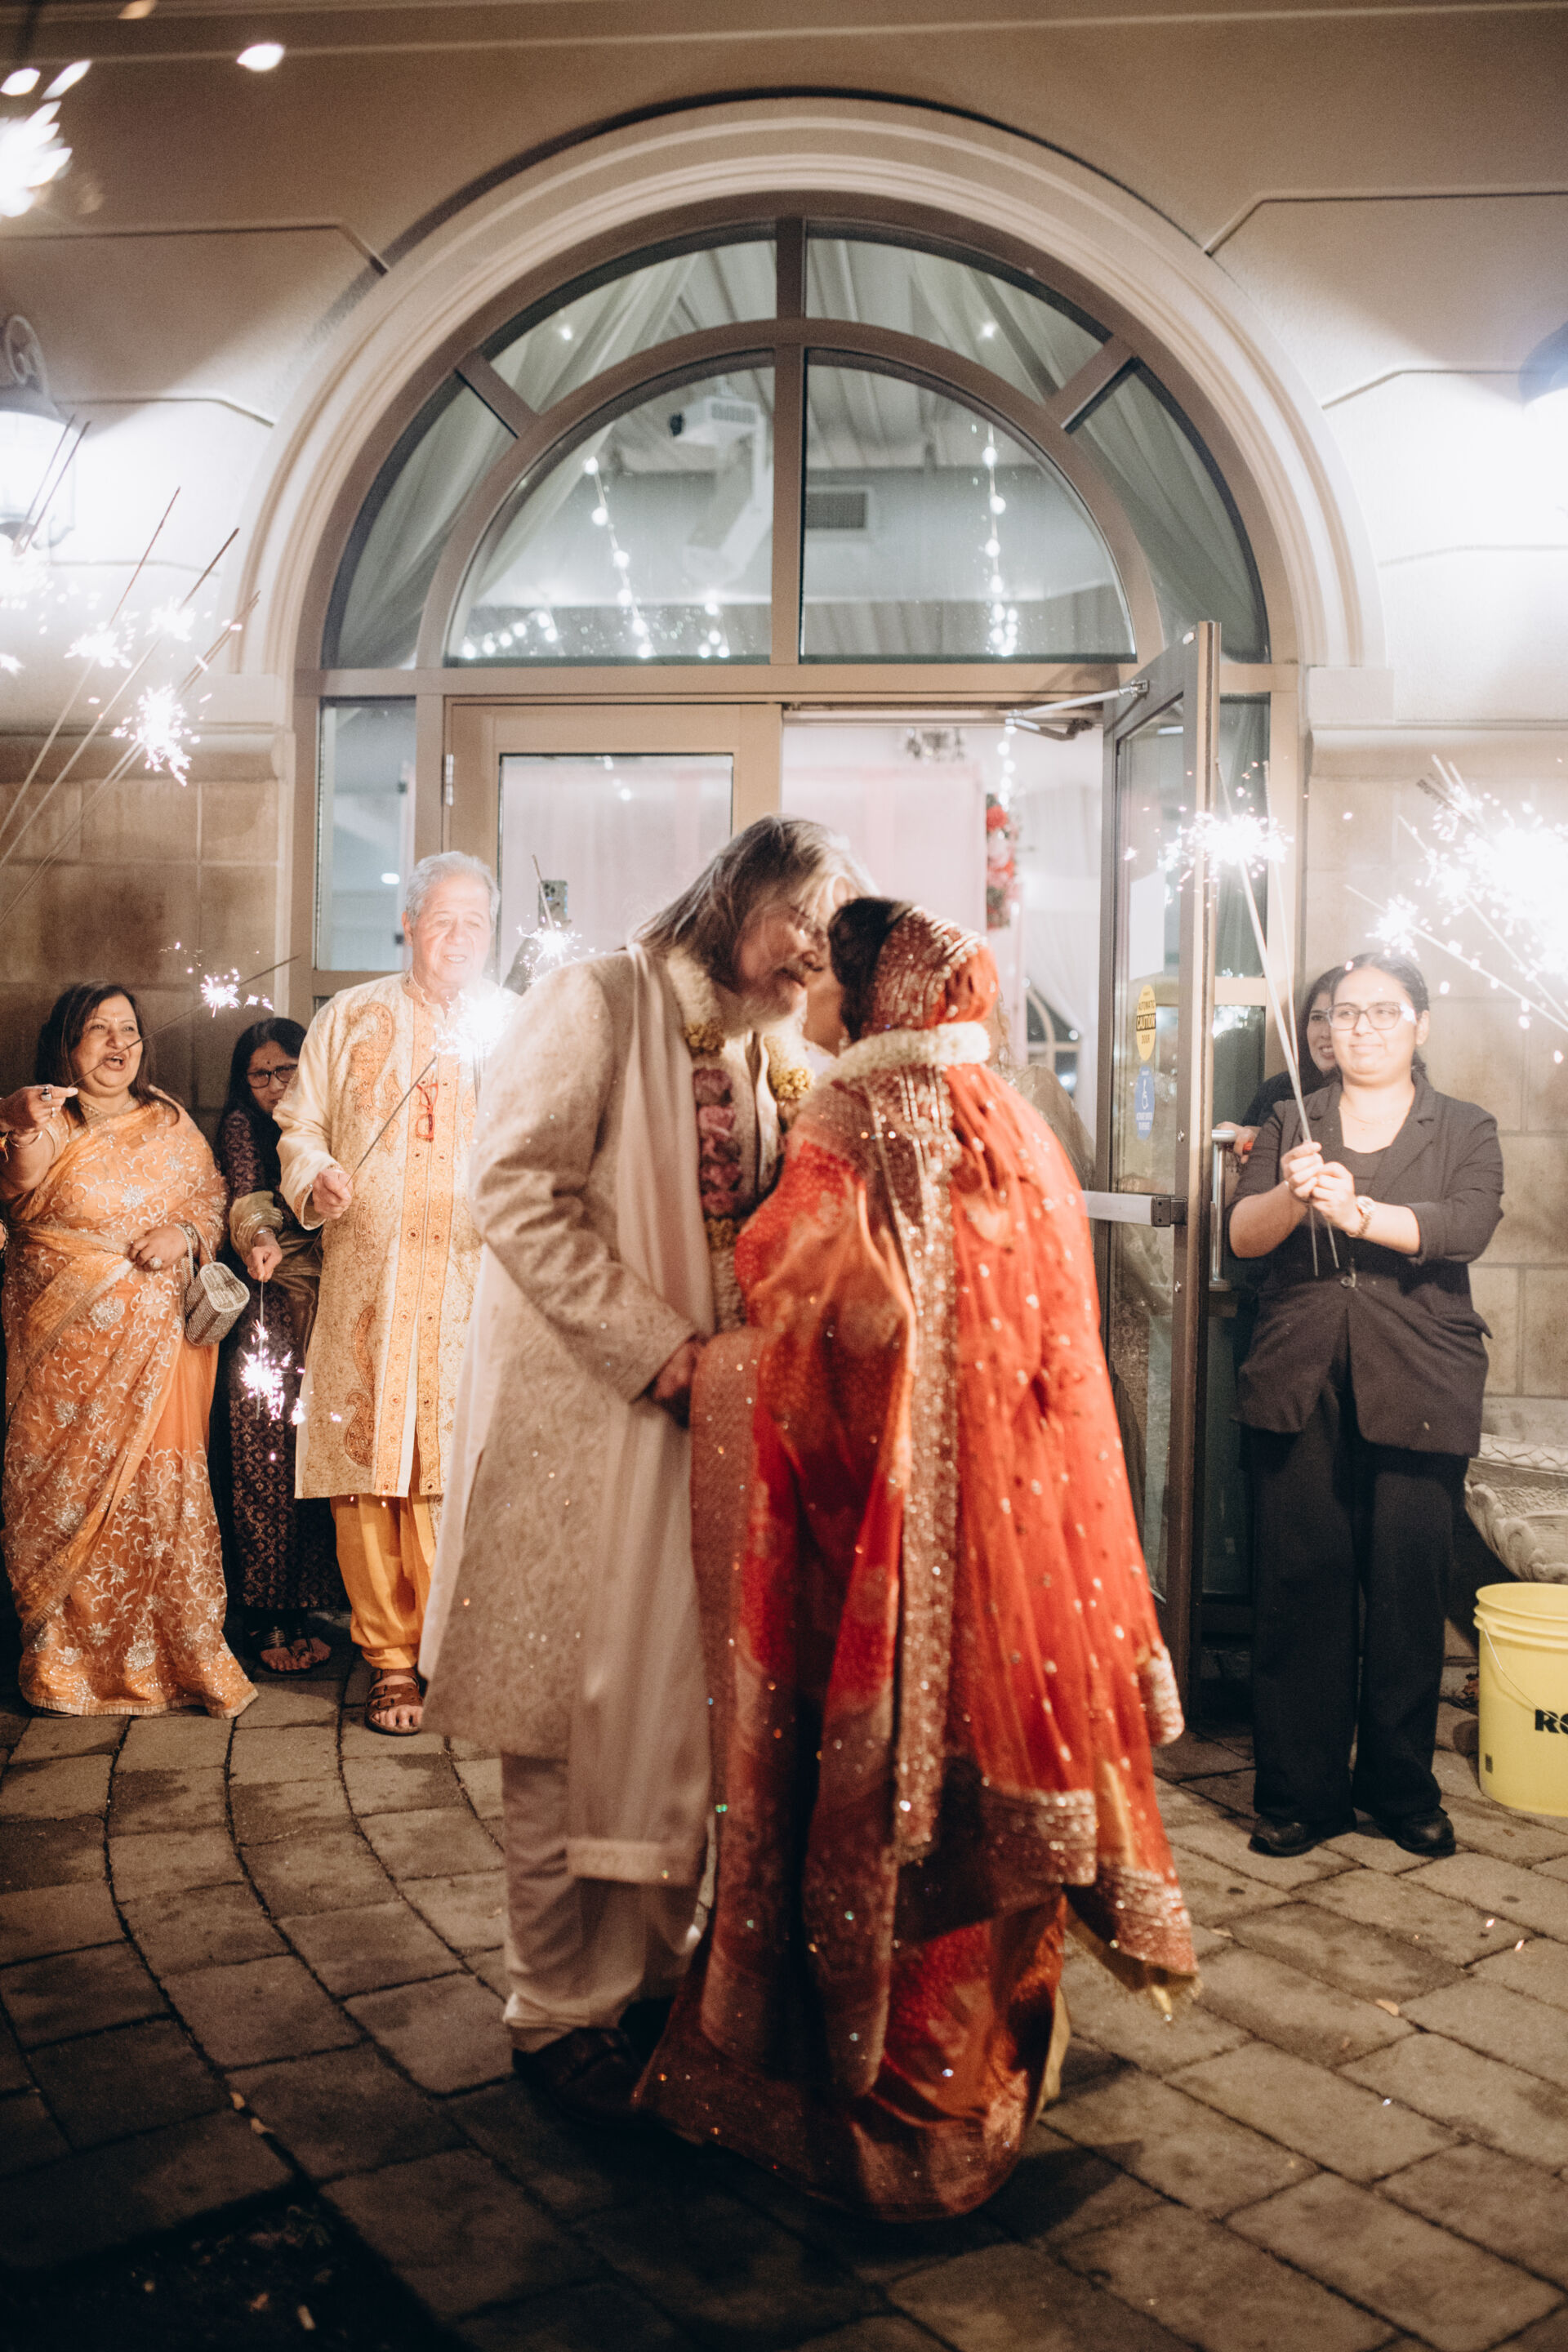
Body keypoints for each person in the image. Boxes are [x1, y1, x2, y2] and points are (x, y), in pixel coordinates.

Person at [639, 901, 1196, 2217]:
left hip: (884, 1535)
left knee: (879, 1785)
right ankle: (990, 2067)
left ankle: (885, 2099)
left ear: (874, 995)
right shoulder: (1011, 1116)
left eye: (828, 977)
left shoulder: (849, 1120)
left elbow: (796, 1285)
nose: (814, 1000)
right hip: (1022, 1534)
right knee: (1000, 1789)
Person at [421, 816, 870, 2124]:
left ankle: (650, 1991)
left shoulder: (763, 1052)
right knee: (564, 1727)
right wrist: (658, 1350)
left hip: (700, 1441)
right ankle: (551, 2014)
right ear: (736, 897)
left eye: (830, 929)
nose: (814, 949)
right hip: (586, 1424)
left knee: (676, 1725)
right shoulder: (598, 998)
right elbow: (512, 1187)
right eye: (801, 917)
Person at [1229, 952, 1503, 1860]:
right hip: (1299, 1372)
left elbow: (1464, 1226)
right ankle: (1300, 1795)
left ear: (1421, 1025)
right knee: (1299, 1586)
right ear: (1326, 1029)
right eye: (1347, 1013)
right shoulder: (1290, 1119)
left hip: (1421, 1374)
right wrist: (1289, 1192)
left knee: (1405, 1589)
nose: (1364, 1028)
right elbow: (1244, 1237)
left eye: (1386, 1012)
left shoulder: (1465, 1125)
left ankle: (1399, 1787)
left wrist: (1356, 1215)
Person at [276, 851, 501, 1735]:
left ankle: (459, 1654)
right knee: (367, 1462)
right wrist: (317, 1174)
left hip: (473, 1285)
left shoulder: (515, 1027)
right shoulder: (350, 1017)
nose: (459, 938)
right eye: (443, 920)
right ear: (409, 924)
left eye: (475, 923)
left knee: (459, 1465)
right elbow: (300, 1125)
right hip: (368, 1282)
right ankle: (392, 1661)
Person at [0, 983, 253, 1718]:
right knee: (63, 1497)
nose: (119, 1044)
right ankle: (66, 1667)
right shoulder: (52, 1117)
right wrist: (19, 1123)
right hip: (64, 1357)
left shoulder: (168, 1118)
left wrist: (184, 1234)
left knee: (162, 1497)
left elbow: (209, 1198)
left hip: (159, 1350)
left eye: (130, 1030)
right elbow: (20, 1183)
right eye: (99, 1029)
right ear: (68, 1043)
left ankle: (180, 1656)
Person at [216, 1018, 341, 1676]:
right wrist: (261, 1237)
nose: (273, 1085)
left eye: (285, 1069)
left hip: (330, 1305)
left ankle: (309, 1607)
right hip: (268, 1310)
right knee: (263, 1464)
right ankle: (266, 1614)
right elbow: (248, 1201)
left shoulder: (329, 1121)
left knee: (316, 1459)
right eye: (259, 1074)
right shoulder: (244, 1127)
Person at [1232, 966, 1342, 1156]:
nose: (1325, 1032)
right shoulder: (1276, 1088)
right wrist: (1235, 1138)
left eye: (1338, 1018)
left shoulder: (1362, 1096)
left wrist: (1268, 1139)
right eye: (1317, 1018)